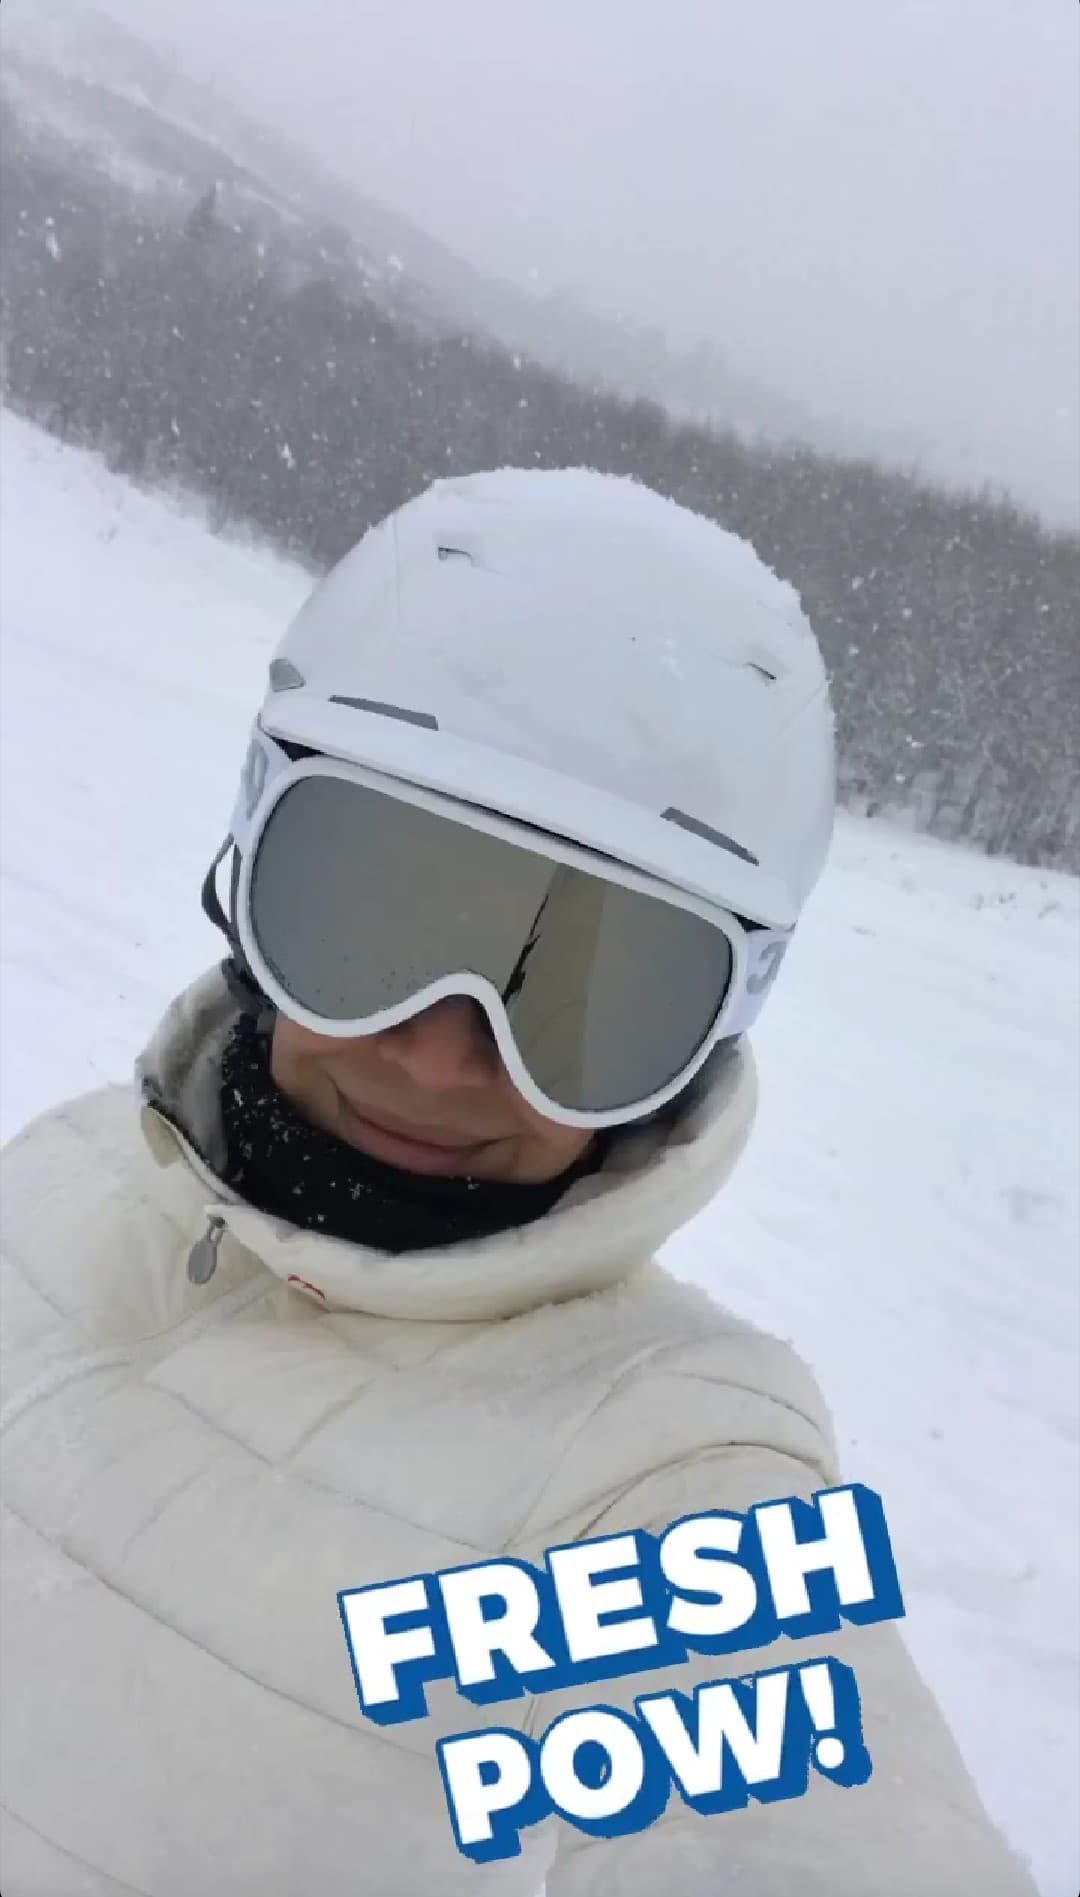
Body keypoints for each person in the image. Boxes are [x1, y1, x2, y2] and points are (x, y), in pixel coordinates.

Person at [0, 469, 1035, 1896]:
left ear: (703, 1045)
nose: (439, 1056)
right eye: (375, 909)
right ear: (252, 867)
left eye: (588, 992)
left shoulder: (646, 1466)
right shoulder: (77, 1165)